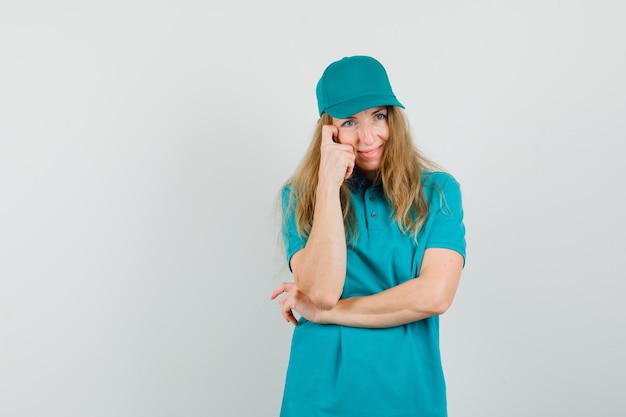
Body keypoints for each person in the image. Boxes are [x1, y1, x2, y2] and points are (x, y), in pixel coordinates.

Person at [270, 55, 466, 417]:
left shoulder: (438, 192)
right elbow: (322, 291)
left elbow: (435, 296)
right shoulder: (299, 198)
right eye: (349, 122)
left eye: (378, 116)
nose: (367, 137)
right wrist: (327, 185)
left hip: (408, 395)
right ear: (328, 132)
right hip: (318, 397)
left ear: (393, 117)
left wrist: (330, 314)